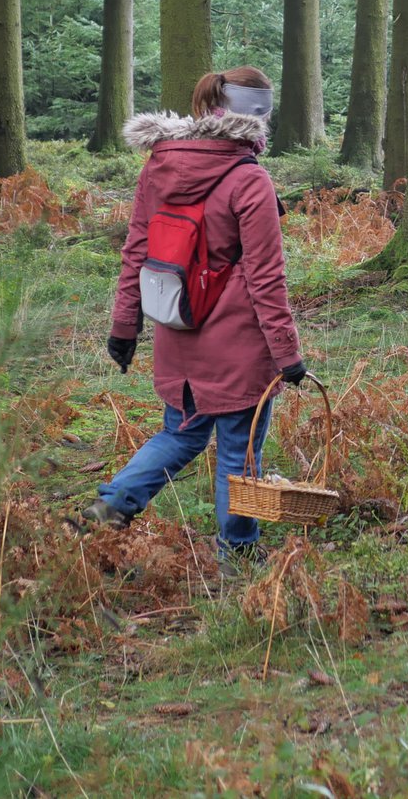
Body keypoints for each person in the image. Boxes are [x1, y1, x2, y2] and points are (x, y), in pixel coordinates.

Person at [79, 66, 309, 558]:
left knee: (178, 433)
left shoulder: (158, 166)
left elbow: (136, 251)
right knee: (237, 452)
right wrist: (288, 356)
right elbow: (267, 278)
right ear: (258, 119)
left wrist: (125, 327)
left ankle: (112, 505)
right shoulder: (250, 180)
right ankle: (238, 556)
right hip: (239, 344)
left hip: (176, 329)